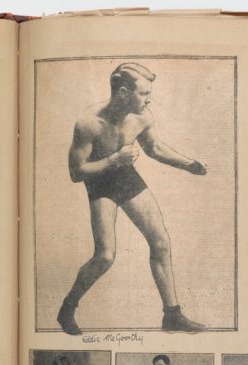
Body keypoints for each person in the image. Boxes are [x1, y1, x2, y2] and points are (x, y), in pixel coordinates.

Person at [57, 62, 207, 335]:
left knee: (161, 242)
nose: (149, 99)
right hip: (99, 180)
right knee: (105, 256)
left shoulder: (142, 116)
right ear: (124, 92)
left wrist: (188, 164)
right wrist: (114, 159)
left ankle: (172, 315)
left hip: (125, 176)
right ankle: (68, 307)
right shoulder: (88, 123)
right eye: (144, 93)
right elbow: (76, 172)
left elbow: (154, 148)